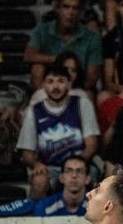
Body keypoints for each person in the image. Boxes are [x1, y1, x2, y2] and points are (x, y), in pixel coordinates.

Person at [16, 62, 99, 191]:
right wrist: (36, 164)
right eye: (50, 81)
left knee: (86, 176)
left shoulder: (82, 104)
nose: (55, 86)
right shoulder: (33, 111)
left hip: (80, 164)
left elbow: (92, 145)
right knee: (39, 180)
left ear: (69, 84)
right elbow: (27, 154)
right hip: (50, 168)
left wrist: (72, 168)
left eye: (61, 81)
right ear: (43, 85)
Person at [24, 0, 102, 92]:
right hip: (48, 85)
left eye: (75, 8)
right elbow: (29, 55)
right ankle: (43, 105)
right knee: (37, 68)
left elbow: (91, 78)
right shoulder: (42, 29)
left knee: (89, 93)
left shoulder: (92, 37)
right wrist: (59, 60)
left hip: (78, 86)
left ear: (81, 12)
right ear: (57, 9)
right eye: (66, 7)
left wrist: (67, 89)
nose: (70, 13)